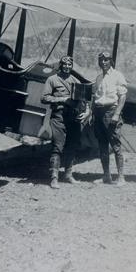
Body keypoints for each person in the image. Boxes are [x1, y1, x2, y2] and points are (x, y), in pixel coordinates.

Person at [82, 50, 128, 186]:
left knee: (116, 145)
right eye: (101, 60)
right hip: (99, 113)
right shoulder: (98, 77)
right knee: (102, 146)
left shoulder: (118, 76)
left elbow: (123, 96)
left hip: (111, 112)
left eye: (106, 60)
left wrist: (117, 113)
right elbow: (95, 98)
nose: (103, 62)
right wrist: (91, 113)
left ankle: (121, 177)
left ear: (111, 61)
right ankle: (106, 175)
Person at [40, 55, 82, 189]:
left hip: (73, 118)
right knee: (57, 147)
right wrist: (62, 99)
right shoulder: (52, 80)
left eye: (70, 65)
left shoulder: (76, 81)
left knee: (71, 147)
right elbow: (44, 98)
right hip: (59, 117)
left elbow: (83, 100)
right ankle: (54, 178)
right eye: (65, 64)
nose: (67, 67)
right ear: (60, 65)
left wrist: (85, 112)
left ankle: (68, 175)